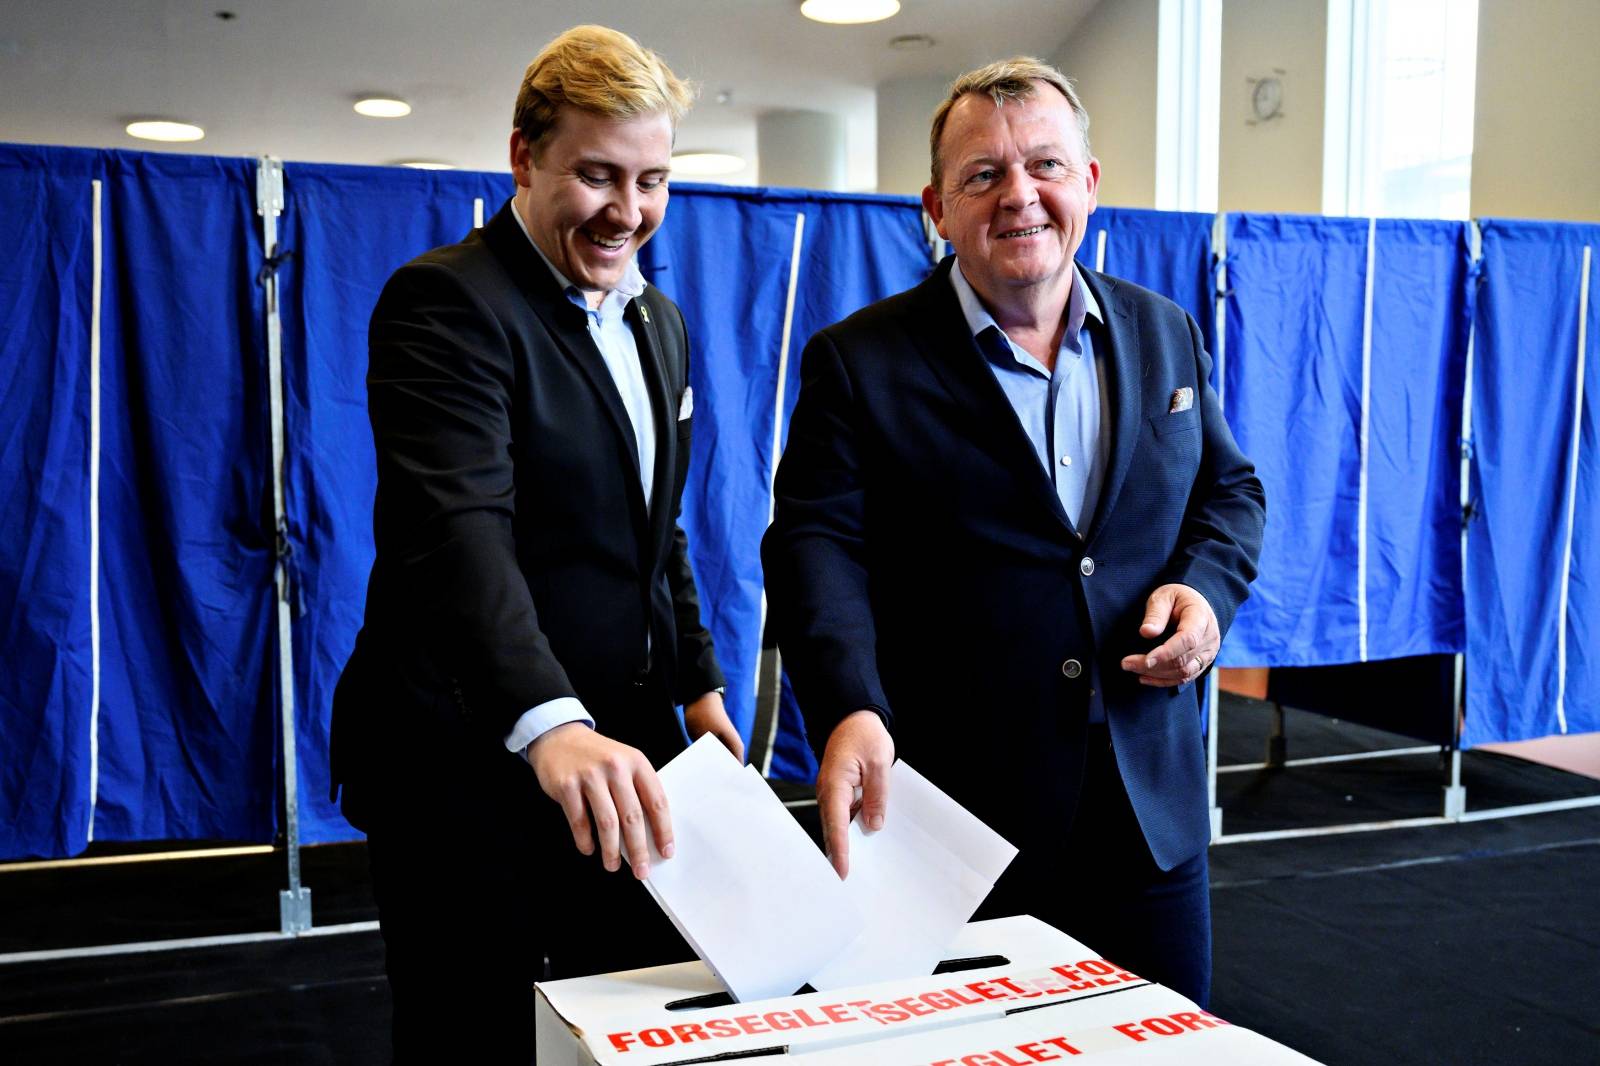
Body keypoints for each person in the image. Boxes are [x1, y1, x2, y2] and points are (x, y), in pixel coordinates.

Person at [761, 57, 1265, 1006]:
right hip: (959, 823)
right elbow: (814, 550)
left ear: (1089, 183)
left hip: (1151, 813)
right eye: (983, 175)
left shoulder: (1167, 332)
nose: (1020, 195)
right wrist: (848, 705)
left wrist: (1205, 594)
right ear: (936, 209)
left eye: (1045, 165)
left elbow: (1229, 493)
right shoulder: (859, 361)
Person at [330, 25, 742, 1063]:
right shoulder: (447, 305)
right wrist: (547, 721)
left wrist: (695, 684)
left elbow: (659, 528)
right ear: (524, 156)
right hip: (463, 761)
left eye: (652, 179)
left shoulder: (660, 321)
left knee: (626, 1030)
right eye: (597, 175)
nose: (628, 211)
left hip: (620, 759)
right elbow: (458, 530)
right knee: (472, 1036)